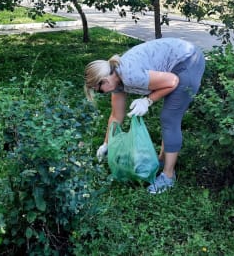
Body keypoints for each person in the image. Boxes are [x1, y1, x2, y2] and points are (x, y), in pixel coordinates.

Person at [84, 37, 205, 194]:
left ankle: (168, 176)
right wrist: (106, 143)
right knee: (168, 117)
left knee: (169, 118)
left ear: (105, 80)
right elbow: (116, 116)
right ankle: (163, 160)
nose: (100, 93)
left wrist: (148, 101)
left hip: (187, 61)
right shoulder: (116, 83)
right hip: (176, 60)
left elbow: (172, 81)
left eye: (98, 89)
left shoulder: (130, 75)